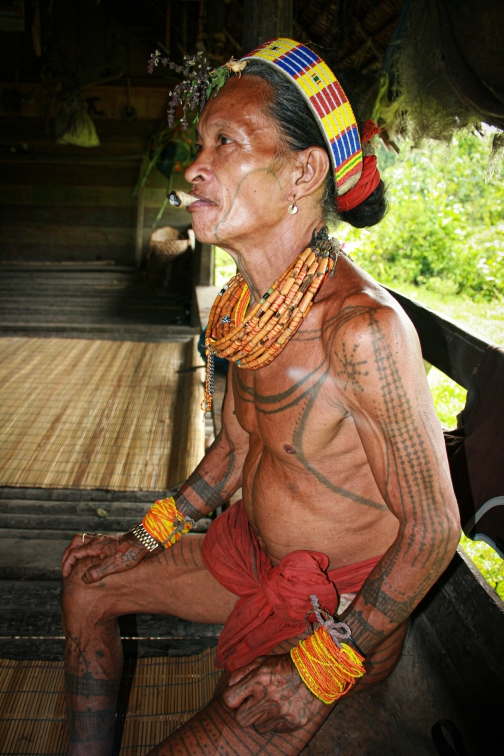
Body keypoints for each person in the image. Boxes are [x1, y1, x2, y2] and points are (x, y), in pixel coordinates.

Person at [61, 39, 460, 756]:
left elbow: (433, 528)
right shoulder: (248, 307)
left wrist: (319, 669)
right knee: (88, 586)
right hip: (255, 555)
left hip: (335, 612)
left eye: (226, 143)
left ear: (304, 171)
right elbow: (239, 446)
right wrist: (144, 537)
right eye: (200, 142)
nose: (193, 167)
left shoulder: (361, 333)